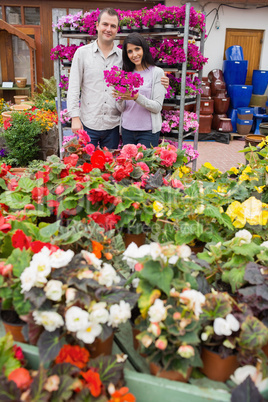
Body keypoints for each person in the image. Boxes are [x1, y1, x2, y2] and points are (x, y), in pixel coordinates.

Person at [67, 8, 169, 150]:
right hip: (87, 124)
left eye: (113, 26)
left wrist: (163, 80)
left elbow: (143, 74)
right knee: (84, 167)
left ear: (117, 30)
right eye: (105, 24)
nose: (108, 29)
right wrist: (74, 117)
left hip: (113, 126)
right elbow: (73, 87)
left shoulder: (124, 57)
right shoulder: (82, 53)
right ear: (97, 25)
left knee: (111, 167)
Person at [114, 33, 166, 148]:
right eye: (130, 51)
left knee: (145, 165)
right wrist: (119, 98)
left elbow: (157, 107)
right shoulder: (125, 74)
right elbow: (121, 108)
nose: (134, 54)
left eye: (137, 49)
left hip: (148, 132)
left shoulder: (157, 72)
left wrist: (136, 97)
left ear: (144, 49)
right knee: (129, 165)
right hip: (127, 130)